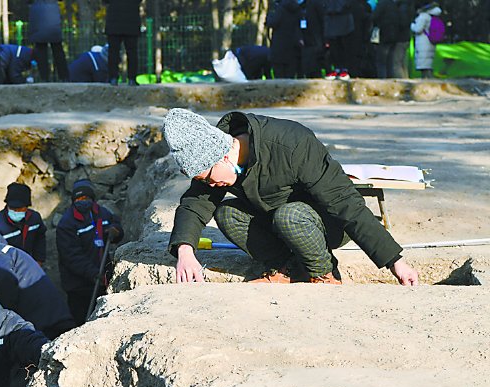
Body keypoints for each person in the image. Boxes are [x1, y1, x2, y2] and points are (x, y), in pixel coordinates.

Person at [164, 108, 419, 287]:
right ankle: (286, 269)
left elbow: (346, 203)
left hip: (324, 224)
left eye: (208, 177)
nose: (211, 184)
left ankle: (323, 274)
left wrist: (395, 262)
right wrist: (185, 251)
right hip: (277, 222)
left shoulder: (291, 144)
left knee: (291, 215)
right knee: (227, 213)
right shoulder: (217, 162)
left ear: (223, 156)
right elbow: (195, 203)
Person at [56, 179, 124, 325]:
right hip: (79, 284)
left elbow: (115, 223)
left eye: (86, 198)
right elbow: (71, 257)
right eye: (79, 199)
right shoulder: (66, 224)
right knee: (82, 320)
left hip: (100, 277)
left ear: (92, 199)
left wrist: (115, 231)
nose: (83, 201)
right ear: (73, 201)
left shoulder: (101, 213)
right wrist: (93, 273)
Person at [0, 183, 47, 265]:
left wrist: (39, 260)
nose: (16, 212)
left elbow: (40, 239)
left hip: (29, 263)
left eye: (20, 209)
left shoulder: (34, 219)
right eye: (12, 208)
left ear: (27, 207)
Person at [28, 0, 69, 82]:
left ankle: (44, 78)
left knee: (40, 50)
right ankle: (64, 77)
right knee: (58, 49)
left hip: (37, 16)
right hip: (53, 15)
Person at [104, 0, 142, 86]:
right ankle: (132, 78)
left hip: (114, 20)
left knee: (113, 52)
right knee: (132, 52)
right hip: (132, 20)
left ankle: (113, 78)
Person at [267, 0, 303, 79]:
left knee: (279, 77)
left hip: (278, 47)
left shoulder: (278, 8)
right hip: (293, 48)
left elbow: (272, 22)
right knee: (290, 76)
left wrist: (269, 15)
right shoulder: (298, 8)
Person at [321, 0, 356, 80]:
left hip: (343, 19)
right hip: (332, 20)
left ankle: (343, 69)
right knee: (334, 47)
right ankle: (337, 68)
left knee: (343, 46)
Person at [372, 0, 406, 78]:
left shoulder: (381, 4)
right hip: (394, 35)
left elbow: (374, 17)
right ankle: (390, 79)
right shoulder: (395, 5)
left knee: (381, 61)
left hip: (383, 34)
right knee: (390, 60)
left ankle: (382, 79)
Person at [410, 2, 442, 79]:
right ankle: (429, 78)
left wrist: (412, 25)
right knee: (428, 62)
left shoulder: (423, 16)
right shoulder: (433, 15)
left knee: (423, 63)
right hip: (430, 41)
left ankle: (426, 79)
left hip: (423, 41)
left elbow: (418, 29)